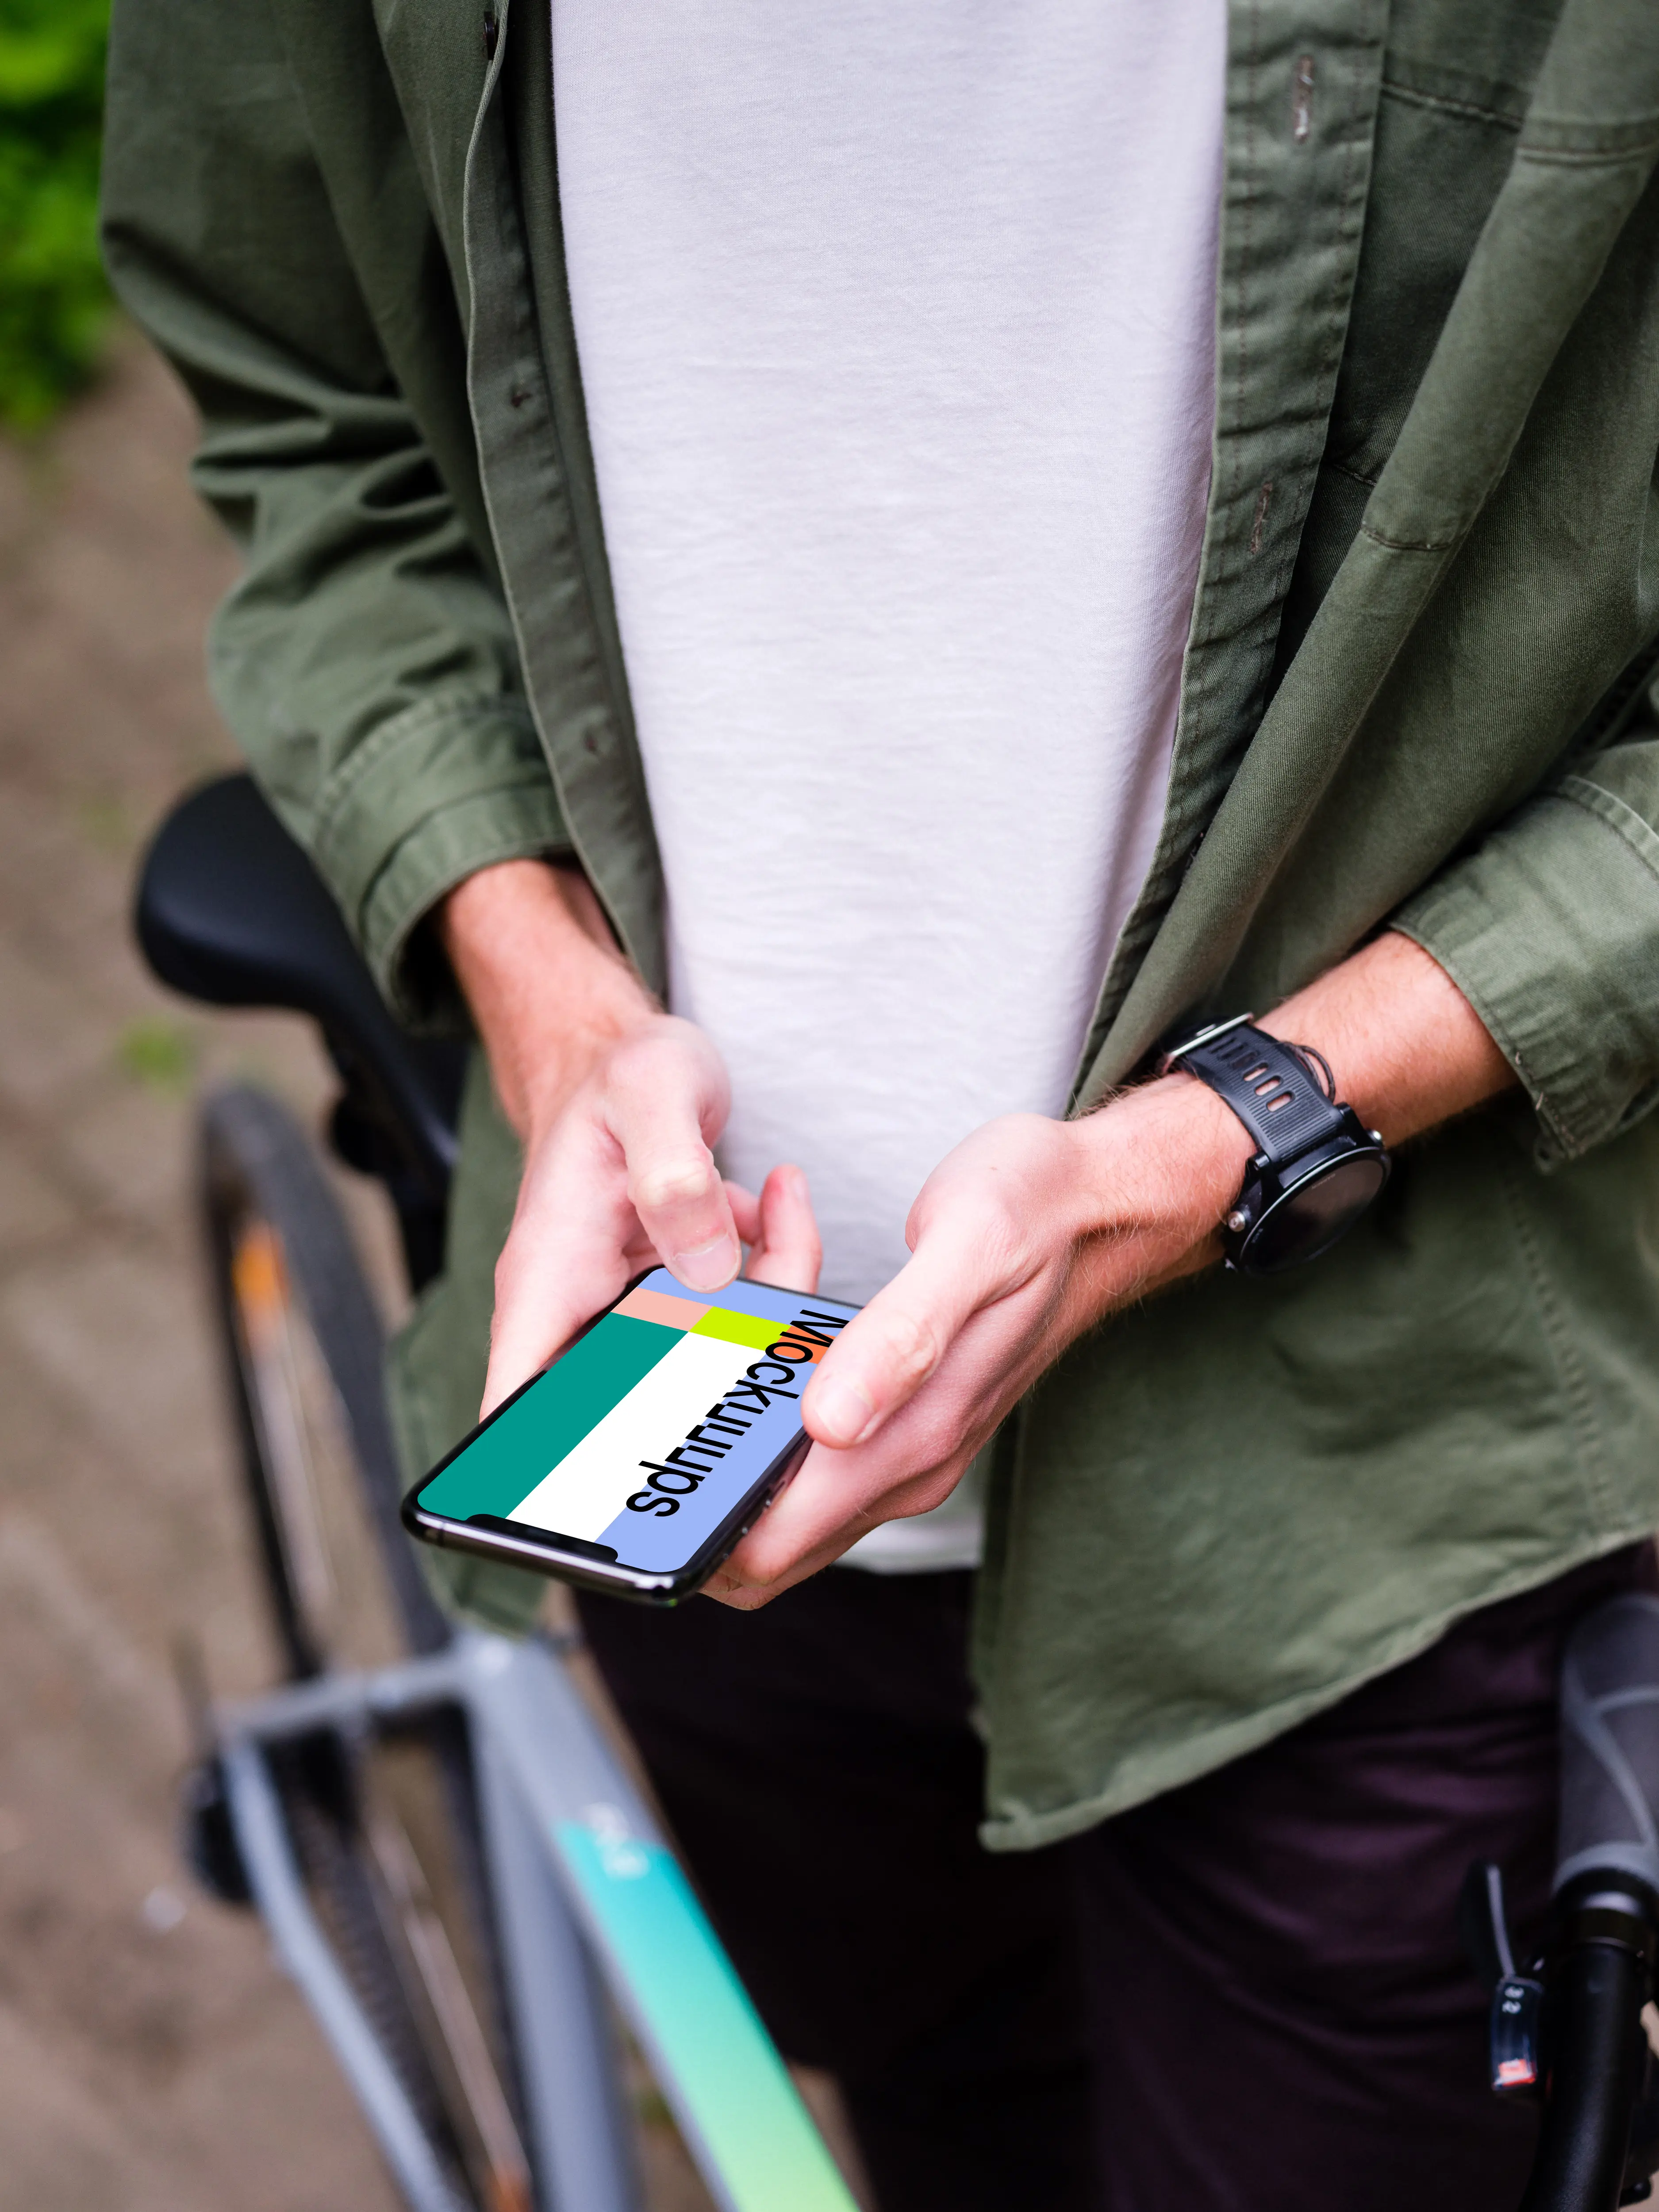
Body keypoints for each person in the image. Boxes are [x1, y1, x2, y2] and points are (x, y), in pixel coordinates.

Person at [102, 2, 1659, 2205]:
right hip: (698, 1447)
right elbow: (310, 404)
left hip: (1372, 1504)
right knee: (939, 2135)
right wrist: (545, 1005)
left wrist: (1218, 1141)